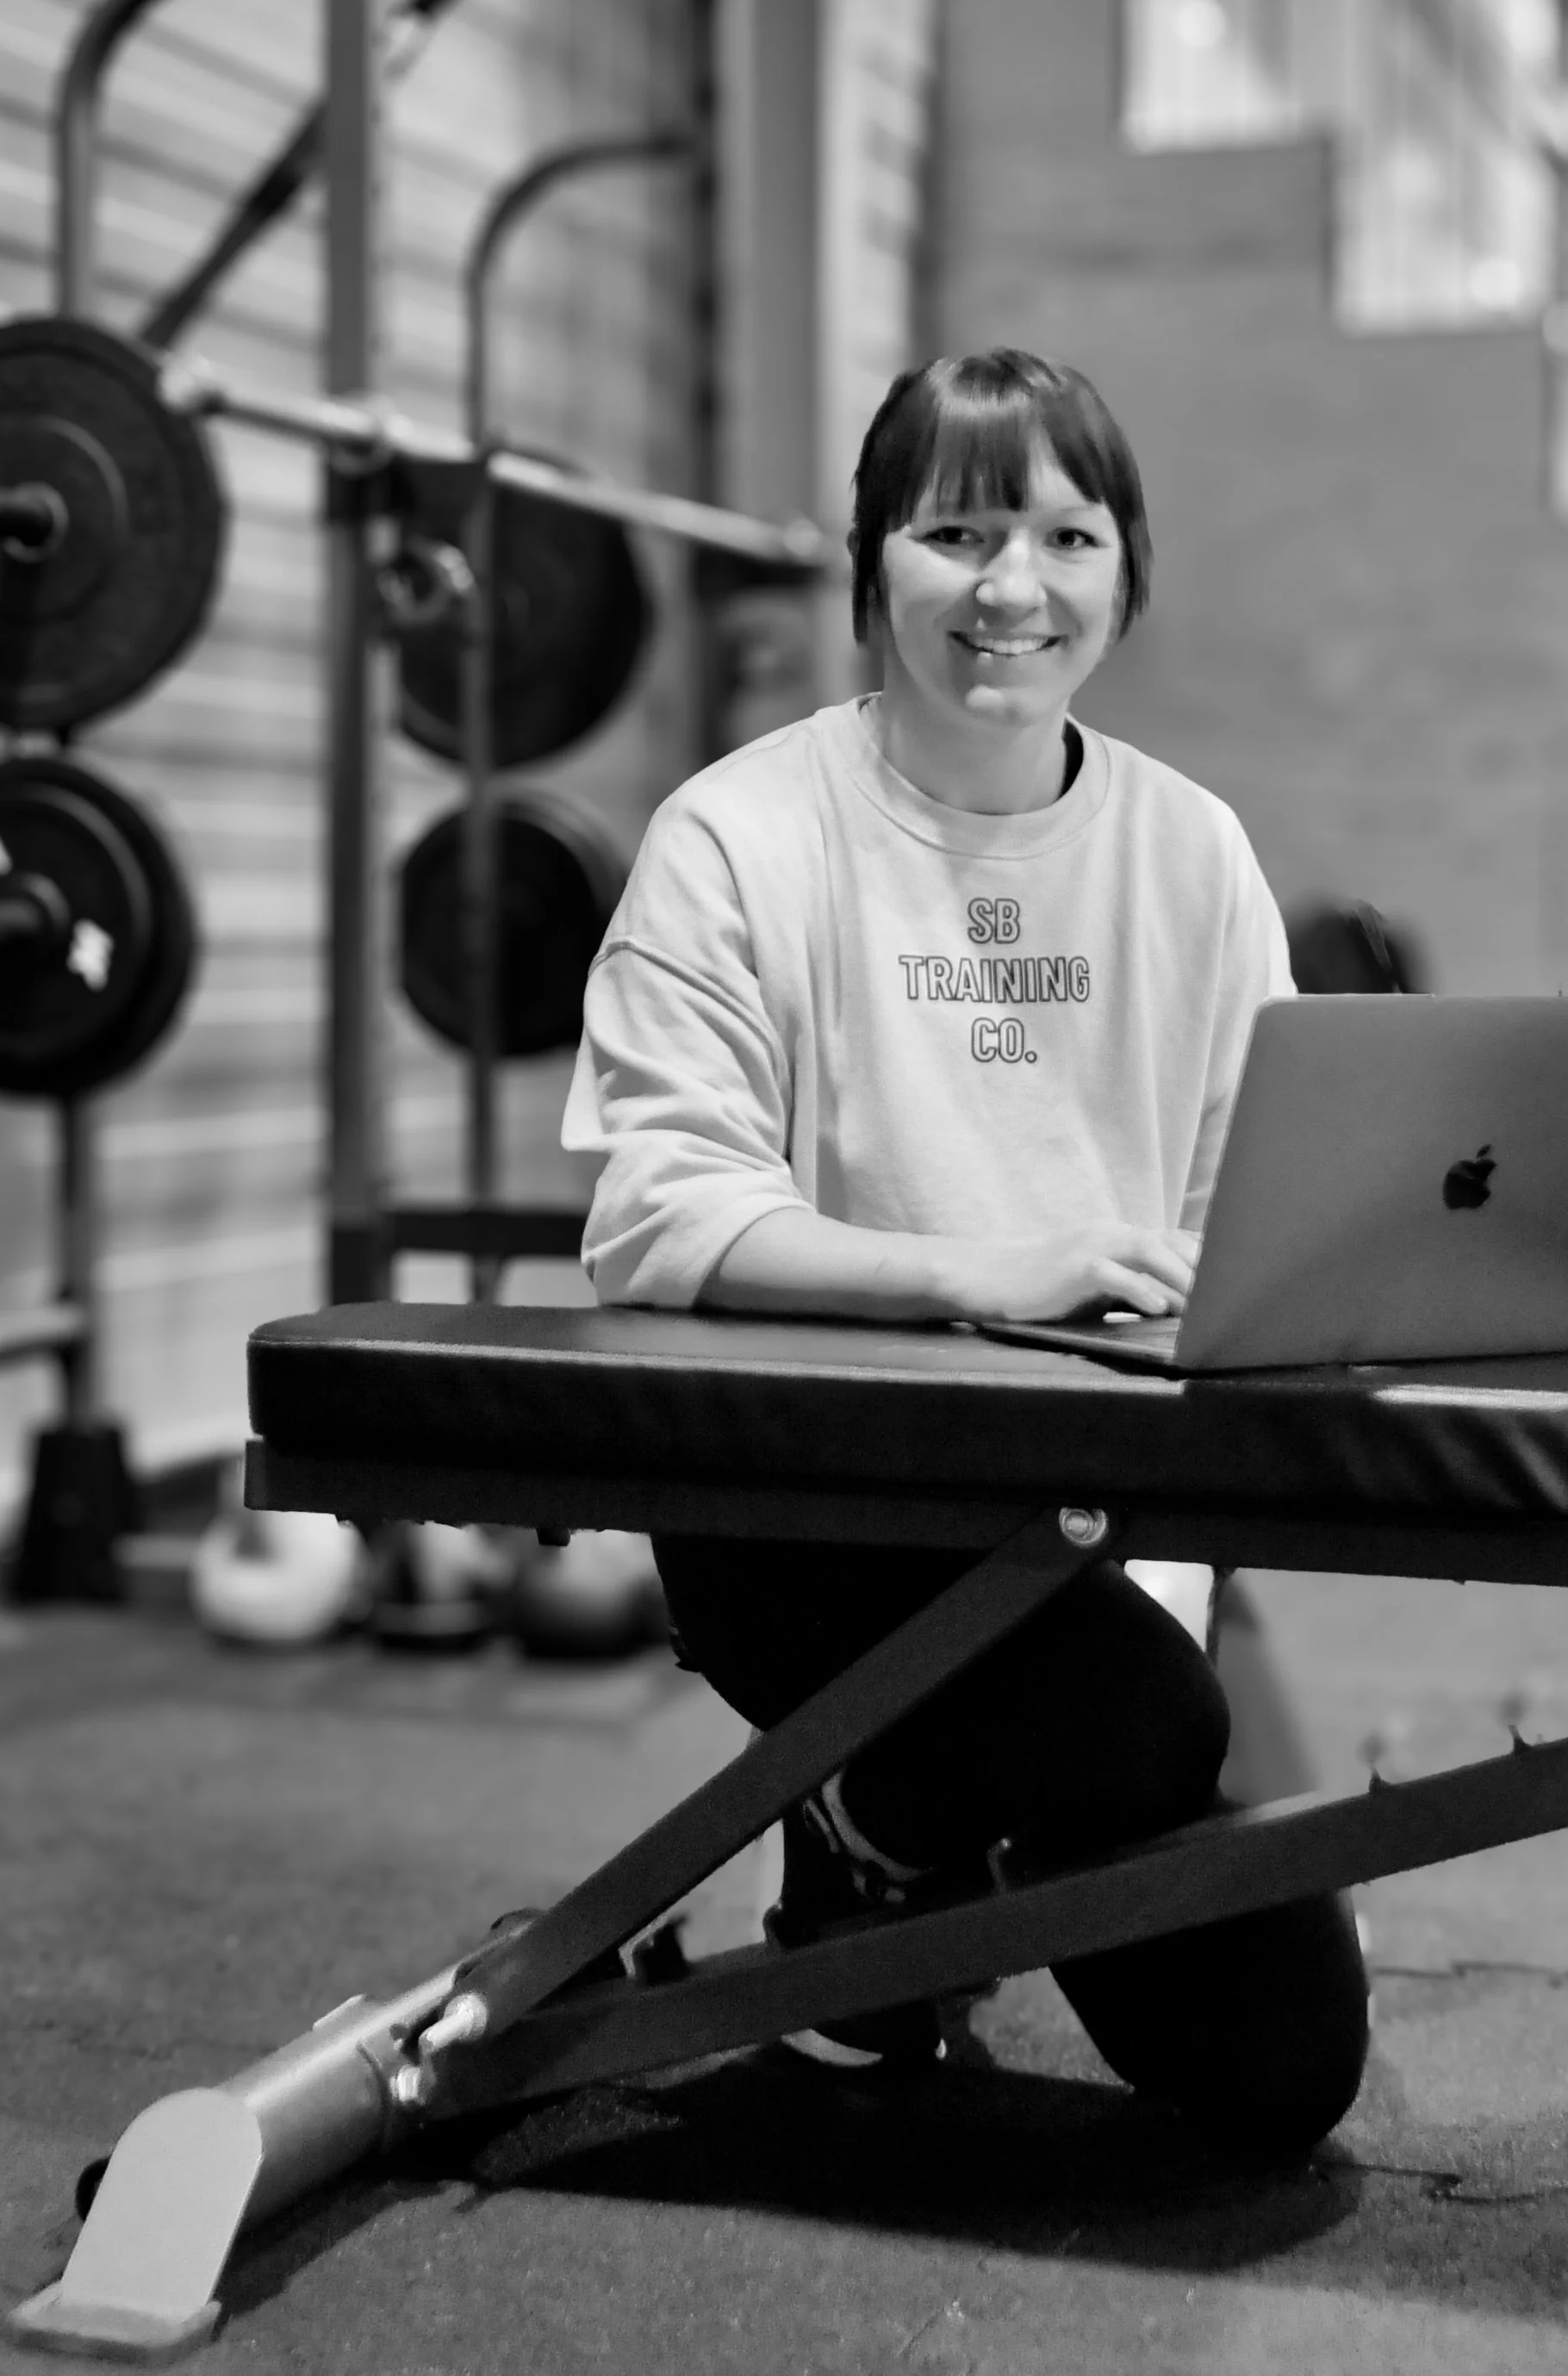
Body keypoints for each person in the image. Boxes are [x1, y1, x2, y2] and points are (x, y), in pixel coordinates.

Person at [563, 348, 1370, 2159]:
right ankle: (881, 1828)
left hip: (1118, 1506)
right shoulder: (737, 834)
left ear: (1123, 571)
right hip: (814, 1500)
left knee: (1280, 2070)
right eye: (953, 531)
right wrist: (983, 1271)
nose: (1011, 588)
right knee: (1131, 1731)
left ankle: (871, 1843)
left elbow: (1269, 1203)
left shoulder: (1189, 850)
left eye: (1064, 534)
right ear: (871, 570)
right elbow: (657, 1214)